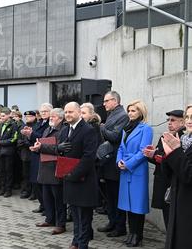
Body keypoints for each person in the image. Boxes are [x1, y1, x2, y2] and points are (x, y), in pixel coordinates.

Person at [56, 102, 99, 249]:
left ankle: (82, 244)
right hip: (69, 180)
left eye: (71, 112)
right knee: (75, 215)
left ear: (79, 112)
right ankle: (75, 241)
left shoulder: (88, 130)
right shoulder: (65, 130)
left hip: (83, 181)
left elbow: (88, 158)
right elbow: (62, 153)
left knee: (84, 217)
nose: (67, 115)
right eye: (66, 112)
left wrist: (73, 174)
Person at [117, 100, 153, 247]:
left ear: (141, 112)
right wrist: (118, 161)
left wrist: (128, 164)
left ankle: (138, 235)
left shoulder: (146, 129)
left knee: (137, 206)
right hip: (124, 171)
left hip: (137, 171)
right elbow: (120, 148)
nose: (130, 113)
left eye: (133, 111)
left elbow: (143, 151)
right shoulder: (126, 129)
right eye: (129, 110)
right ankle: (131, 233)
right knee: (128, 205)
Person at [143, 110, 185, 229]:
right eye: (168, 120)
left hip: (174, 183)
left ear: (182, 122)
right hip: (163, 181)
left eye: (173, 120)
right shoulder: (165, 136)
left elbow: (173, 160)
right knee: (167, 217)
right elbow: (159, 158)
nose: (169, 123)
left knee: (175, 221)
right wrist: (151, 155)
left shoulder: (183, 138)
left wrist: (157, 155)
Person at [97, 91, 129, 238]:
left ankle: (120, 226)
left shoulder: (122, 116)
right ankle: (112, 222)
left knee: (116, 196)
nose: (104, 104)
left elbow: (115, 136)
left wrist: (102, 127)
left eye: (106, 101)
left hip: (115, 161)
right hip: (108, 161)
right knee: (110, 196)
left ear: (115, 101)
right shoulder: (113, 114)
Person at [161, 104, 192, 249]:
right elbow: (170, 175)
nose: (189, 121)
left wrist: (175, 152)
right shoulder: (184, 140)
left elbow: (189, 175)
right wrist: (168, 155)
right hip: (178, 203)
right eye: (187, 117)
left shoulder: (182, 145)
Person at [31, 108, 66, 235]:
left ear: (61, 118)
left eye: (54, 116)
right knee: (47, 197)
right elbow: (43, 145)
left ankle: (60, 224)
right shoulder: (47, 129)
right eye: (50, 116)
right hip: (45, 167)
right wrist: (37, 148)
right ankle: (49, 219)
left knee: (58, 199)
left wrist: (42, 147)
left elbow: (61, 148)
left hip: (55, 168)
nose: (51, 118)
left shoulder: (63, 131)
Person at [23, 103, 52, 212]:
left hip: (44, 155)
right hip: (35, 155)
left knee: (42, 183)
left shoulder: (50, 123)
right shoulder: (39, 123)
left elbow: (43, 137)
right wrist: (28, 135)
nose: (43, 113)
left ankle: (47, 207)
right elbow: (33, 137)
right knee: (35, 182)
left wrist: (31, 134)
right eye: (42, 111)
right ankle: (42, 205)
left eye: (46, 111)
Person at [0, 107, 18, 198]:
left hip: (9, 152)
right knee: (2, 171)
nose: (2, 117)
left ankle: (8, 190)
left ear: (9, 115)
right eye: (1, 116)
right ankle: (2, 188)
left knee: (8, 172)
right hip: (0, 152)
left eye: (4, 116)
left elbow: (14, 139)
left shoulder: (13, 125)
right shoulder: (0, 125)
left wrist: (1, 142)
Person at [17, 111, 36, 199]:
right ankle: (26, 190)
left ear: (34, 117)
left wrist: (26, 143)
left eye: (29, 116)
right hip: (24, 154)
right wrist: (25, 143)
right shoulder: (23, 126)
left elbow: (35, 140)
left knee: (33, 174)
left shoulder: (36, 127)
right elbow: (19, 140)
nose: (27, 118)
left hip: (33, 154)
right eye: (26, 116)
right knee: (25, 174)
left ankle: (34, 192)